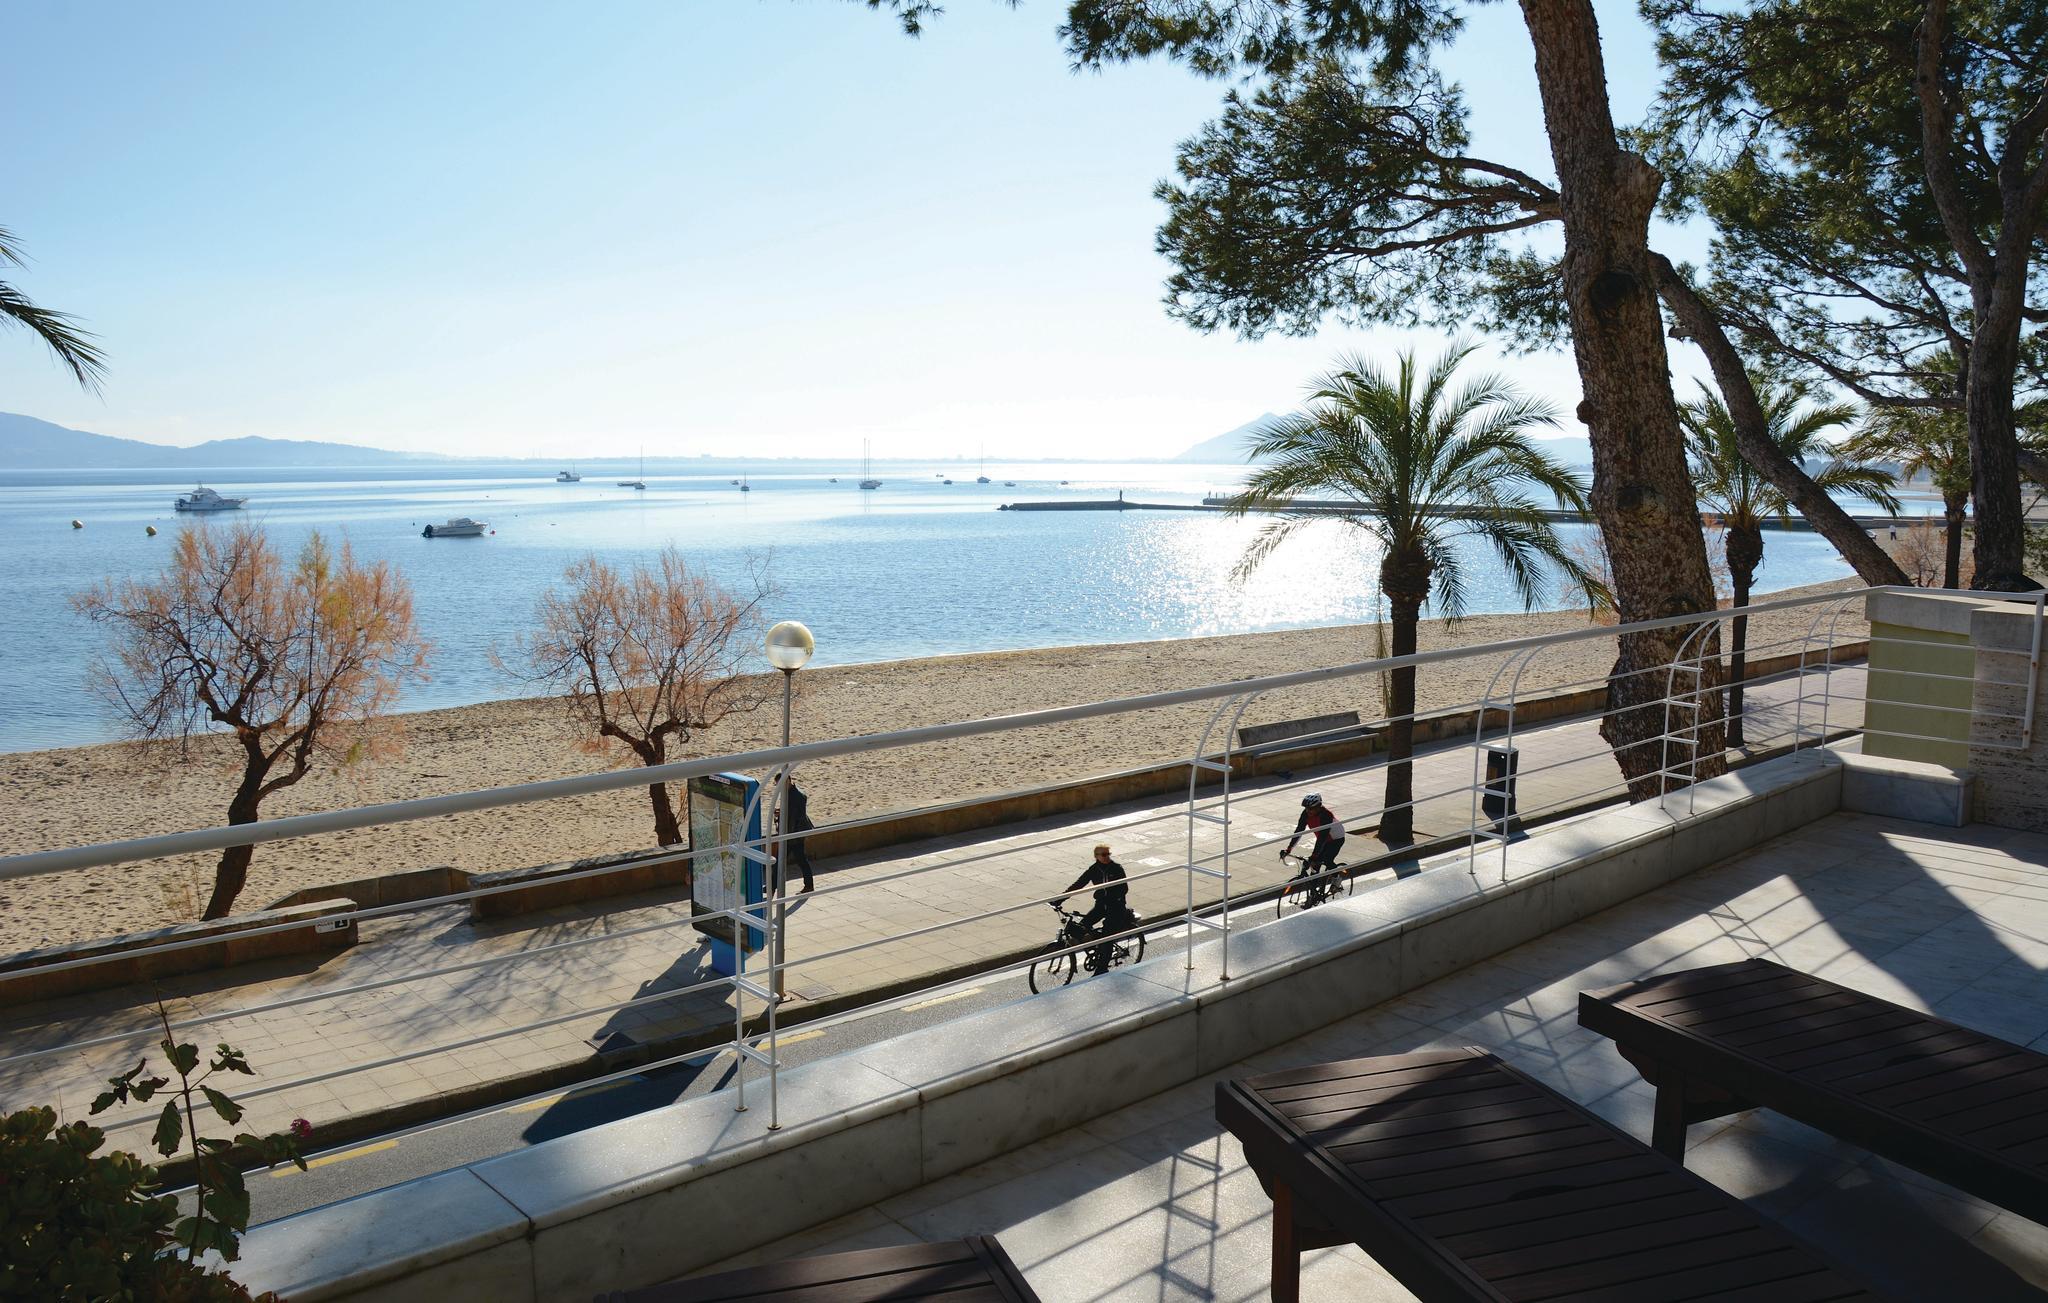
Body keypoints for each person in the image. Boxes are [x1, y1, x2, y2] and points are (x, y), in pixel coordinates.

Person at [1054, 844, 1133, 972]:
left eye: (1108, 854)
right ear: (1096, 856)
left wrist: (1113, 897)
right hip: (1101, 905)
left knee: (1107, 936)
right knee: (1080, 928)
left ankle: (1102, 968)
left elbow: (1124, 888)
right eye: (1104, 855)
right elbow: (1079, 884)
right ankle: (1097, 949)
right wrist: (1059, 899)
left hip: (1116, 907)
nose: (1107, 857)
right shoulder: (1094, 869)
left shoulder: (1116, 868)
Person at [1282, 793, 1347, 893]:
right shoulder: (1306, 813)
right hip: (1324, 839)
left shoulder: (1326, 815)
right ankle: (1313, 893)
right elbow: (1299, 831)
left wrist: (1314, 855)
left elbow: (1322, 838)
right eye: (1306, 808)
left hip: (1336, 839)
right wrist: (1289, 848)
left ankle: (1337, 878)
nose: (1308, 811)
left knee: (1326, 860)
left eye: (1311, 809)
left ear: (1318, 807)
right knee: (1314, 866)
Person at [775, 778, 815, 893]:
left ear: (787, 781)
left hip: (794, 834)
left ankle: (809, 885)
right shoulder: (789, 793)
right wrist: (781, 811)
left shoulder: (797, 795)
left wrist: (782, 814)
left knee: (799, 860)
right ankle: (772, 886)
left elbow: (796, 815)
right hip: (792, 833)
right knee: (786, 861)